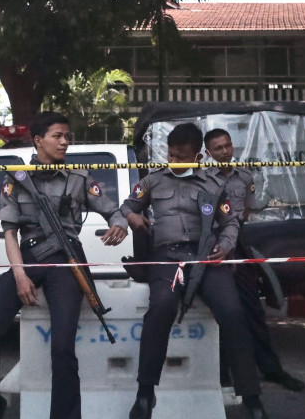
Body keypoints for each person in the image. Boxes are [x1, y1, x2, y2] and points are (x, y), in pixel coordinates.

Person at [0, 111, 128, 419]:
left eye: (67, 137)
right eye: (57, 136)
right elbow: (9, 231)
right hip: (27, 259)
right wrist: (19, 276)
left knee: (62, 348)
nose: (64, 142)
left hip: (66, 261)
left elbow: (111, 209)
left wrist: (119, 222)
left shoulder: (79, 179)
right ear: (38, 141)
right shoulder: (16, 179)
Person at [121, 123, 268, 419]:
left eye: (181, 157)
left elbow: (230, 223)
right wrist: (133, 216)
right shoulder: (152, 181)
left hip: (205, 257)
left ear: (198, 156)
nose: (174, 162)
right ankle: (145, 393)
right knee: (161, 307)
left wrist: (225, 247)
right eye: (171, 155)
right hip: (167, 257)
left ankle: (251, 396)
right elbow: (127, 205)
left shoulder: (214, 185)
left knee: (232, 312)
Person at [204, 128, 305, 393]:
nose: (225, 152)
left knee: (253, 310)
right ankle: (222, 375)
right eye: (218, 148)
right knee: (220, 313)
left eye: (227, 146)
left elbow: (246, 208)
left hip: (238, 247)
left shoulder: (244, 176)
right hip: (210, 249)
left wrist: (233, 234)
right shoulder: (201, 178)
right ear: (207, 153)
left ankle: (271, 369)